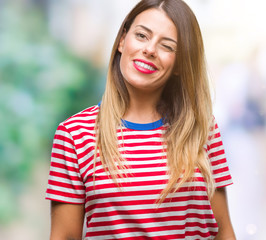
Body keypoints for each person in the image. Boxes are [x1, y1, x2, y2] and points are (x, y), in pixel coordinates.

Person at [45, 0, 236, 239]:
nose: (150, 49)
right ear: (122, 41)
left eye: (167, 46)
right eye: (142, 35)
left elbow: (224, 231)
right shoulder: (74, 134)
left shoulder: (202, 129)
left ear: (179, 64)